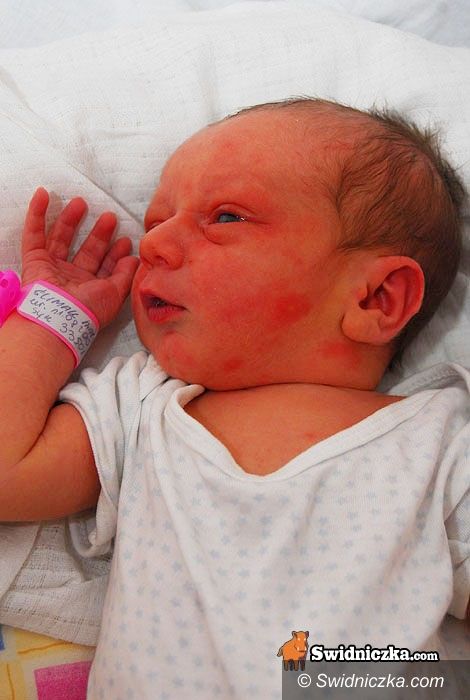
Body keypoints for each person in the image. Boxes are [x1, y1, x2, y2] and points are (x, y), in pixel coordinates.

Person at [0, 97, 468, 698]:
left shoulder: (439, 440)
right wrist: (55, 314)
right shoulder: (141, 407)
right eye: (156, 221)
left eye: (225, 218)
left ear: (375, 298)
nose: (154, 245)